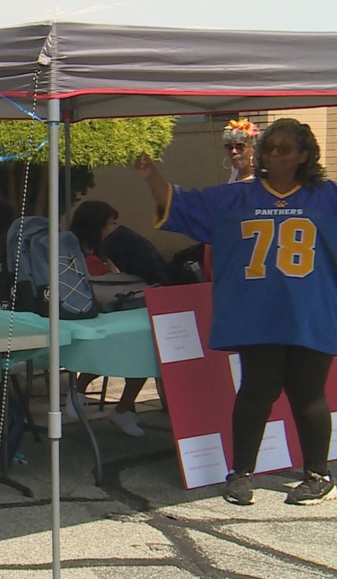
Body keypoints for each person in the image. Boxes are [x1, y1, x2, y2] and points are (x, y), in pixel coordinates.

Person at [137, 118, 337, 506]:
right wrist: (151, 176)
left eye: (283, 148)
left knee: (308, 393)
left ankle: (317, 473)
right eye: (269, 147)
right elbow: (182, 202)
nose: (273, 154)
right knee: (256, 391)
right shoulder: (237, 198)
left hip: (310, 312)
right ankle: (240, 472)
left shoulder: (327, 198)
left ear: (303, 155)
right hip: (256, 312)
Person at [66, 200, 149, 437]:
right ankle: (82, 390)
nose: (115, 229)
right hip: (91, 320)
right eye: (111, 224)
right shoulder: (80, 258)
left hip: (112, 318)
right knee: (125, 346)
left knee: (141, 344)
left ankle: (120, 407)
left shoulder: (102, 254)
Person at [223, 118, 259, 184]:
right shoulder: (235, 173)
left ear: (253, 148)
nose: (233, 151)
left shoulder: (261, 178)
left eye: (239, 146)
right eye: (229, 147)